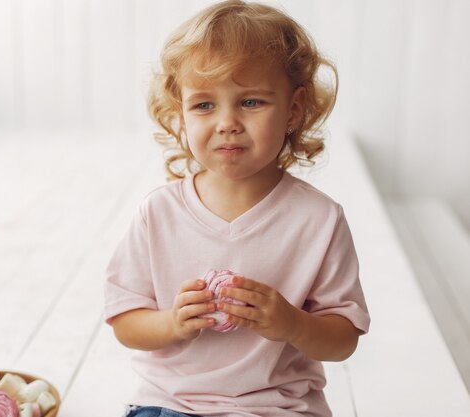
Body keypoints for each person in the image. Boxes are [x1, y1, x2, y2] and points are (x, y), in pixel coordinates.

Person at [103, 1, 370, 416]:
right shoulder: (157, 214)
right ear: (180, 115)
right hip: (174, 403)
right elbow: (125, 322)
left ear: (293, 111)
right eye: (204, 105)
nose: (226, 122)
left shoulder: (319, 220)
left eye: (251, 102)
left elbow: (343, 338)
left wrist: (293, 324)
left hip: (277, 407)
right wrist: (173, 322)